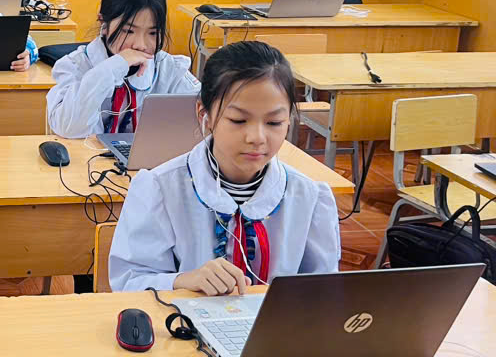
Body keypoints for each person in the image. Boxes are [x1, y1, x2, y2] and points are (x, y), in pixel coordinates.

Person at [108, 40, 340, 294]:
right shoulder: (160, 189)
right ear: (204, 114)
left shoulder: (310, 197)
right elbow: (129, 283)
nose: (257, 138)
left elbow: (323, 292)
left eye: (274, 122)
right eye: (238, 120)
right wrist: (183, 280)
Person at [46, 0, 199, 139]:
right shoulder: (75, 66)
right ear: (103, 23)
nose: (140, 44)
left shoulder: (168, 69)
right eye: (128, 31)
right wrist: (112, 68)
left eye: (153, 33)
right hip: (86, 157)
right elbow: (69, 128)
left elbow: (206, 117)